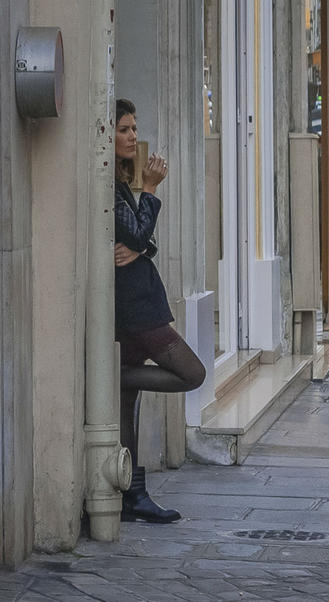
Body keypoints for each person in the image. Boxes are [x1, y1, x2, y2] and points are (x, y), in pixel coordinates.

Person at [113, 99, 206, 523]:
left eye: (134, 128)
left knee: (126, 403)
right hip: (135, 308)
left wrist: (138, 245)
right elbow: (134, 233)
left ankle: (132, 494)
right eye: (125, 129)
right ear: (107, 134)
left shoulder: (116, 179)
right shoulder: (109, 181)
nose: (134, 136)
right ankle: (114, 376)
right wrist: (150, 189)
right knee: (192, 373)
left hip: (137, 301)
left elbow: (140, 241)